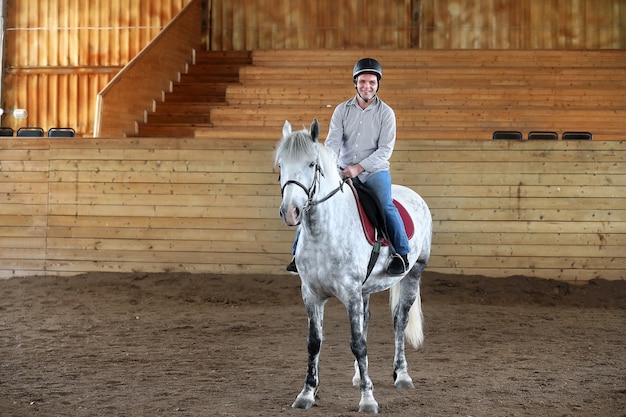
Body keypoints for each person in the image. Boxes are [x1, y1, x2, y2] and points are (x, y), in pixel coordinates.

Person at [287, 57, 410, 275]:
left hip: (374, 171)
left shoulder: (386, 113)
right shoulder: (342, 111)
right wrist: (330, 164)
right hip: (342, 169)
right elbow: (333, 143)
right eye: (362, 81)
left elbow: (384, 150)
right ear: (355, 83)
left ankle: (401, 253)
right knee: (313, 199)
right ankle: (298, 254)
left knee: (385, 204)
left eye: (372, 82)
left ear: (377, 84)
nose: (367, 86)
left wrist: (358, 168)